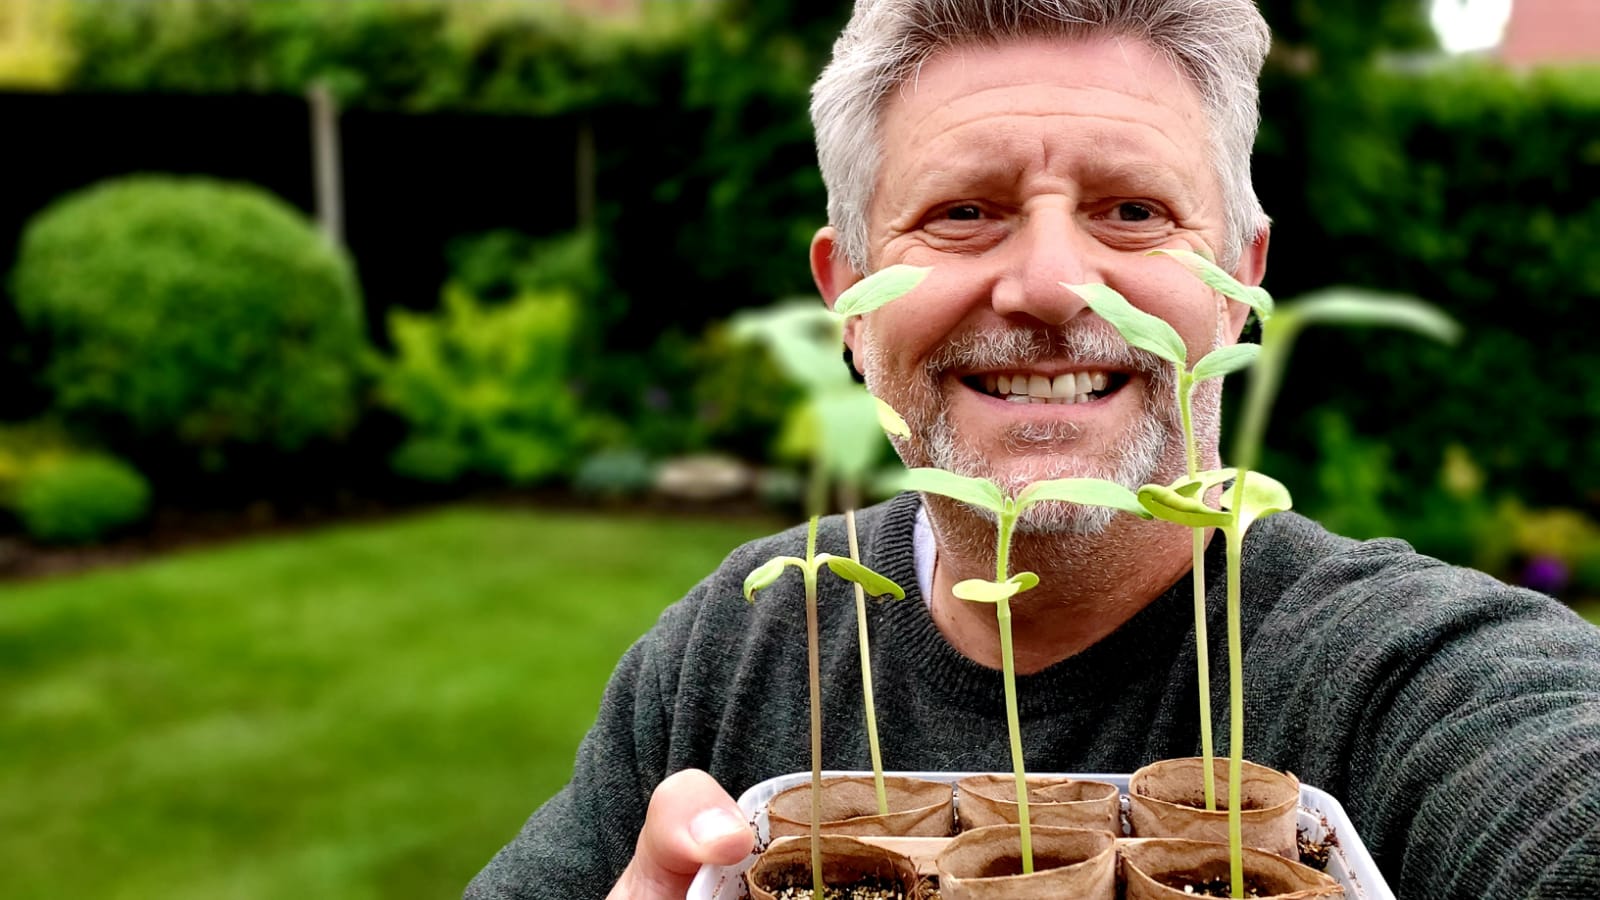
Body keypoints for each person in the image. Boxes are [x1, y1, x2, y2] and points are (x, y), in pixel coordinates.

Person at [467, 1, 1600, 897]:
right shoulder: (734, 653)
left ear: (1239, 284)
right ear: (848, 299)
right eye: (962, 211)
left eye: (1134, 211)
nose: (1053, 285)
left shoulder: (1404, 673)